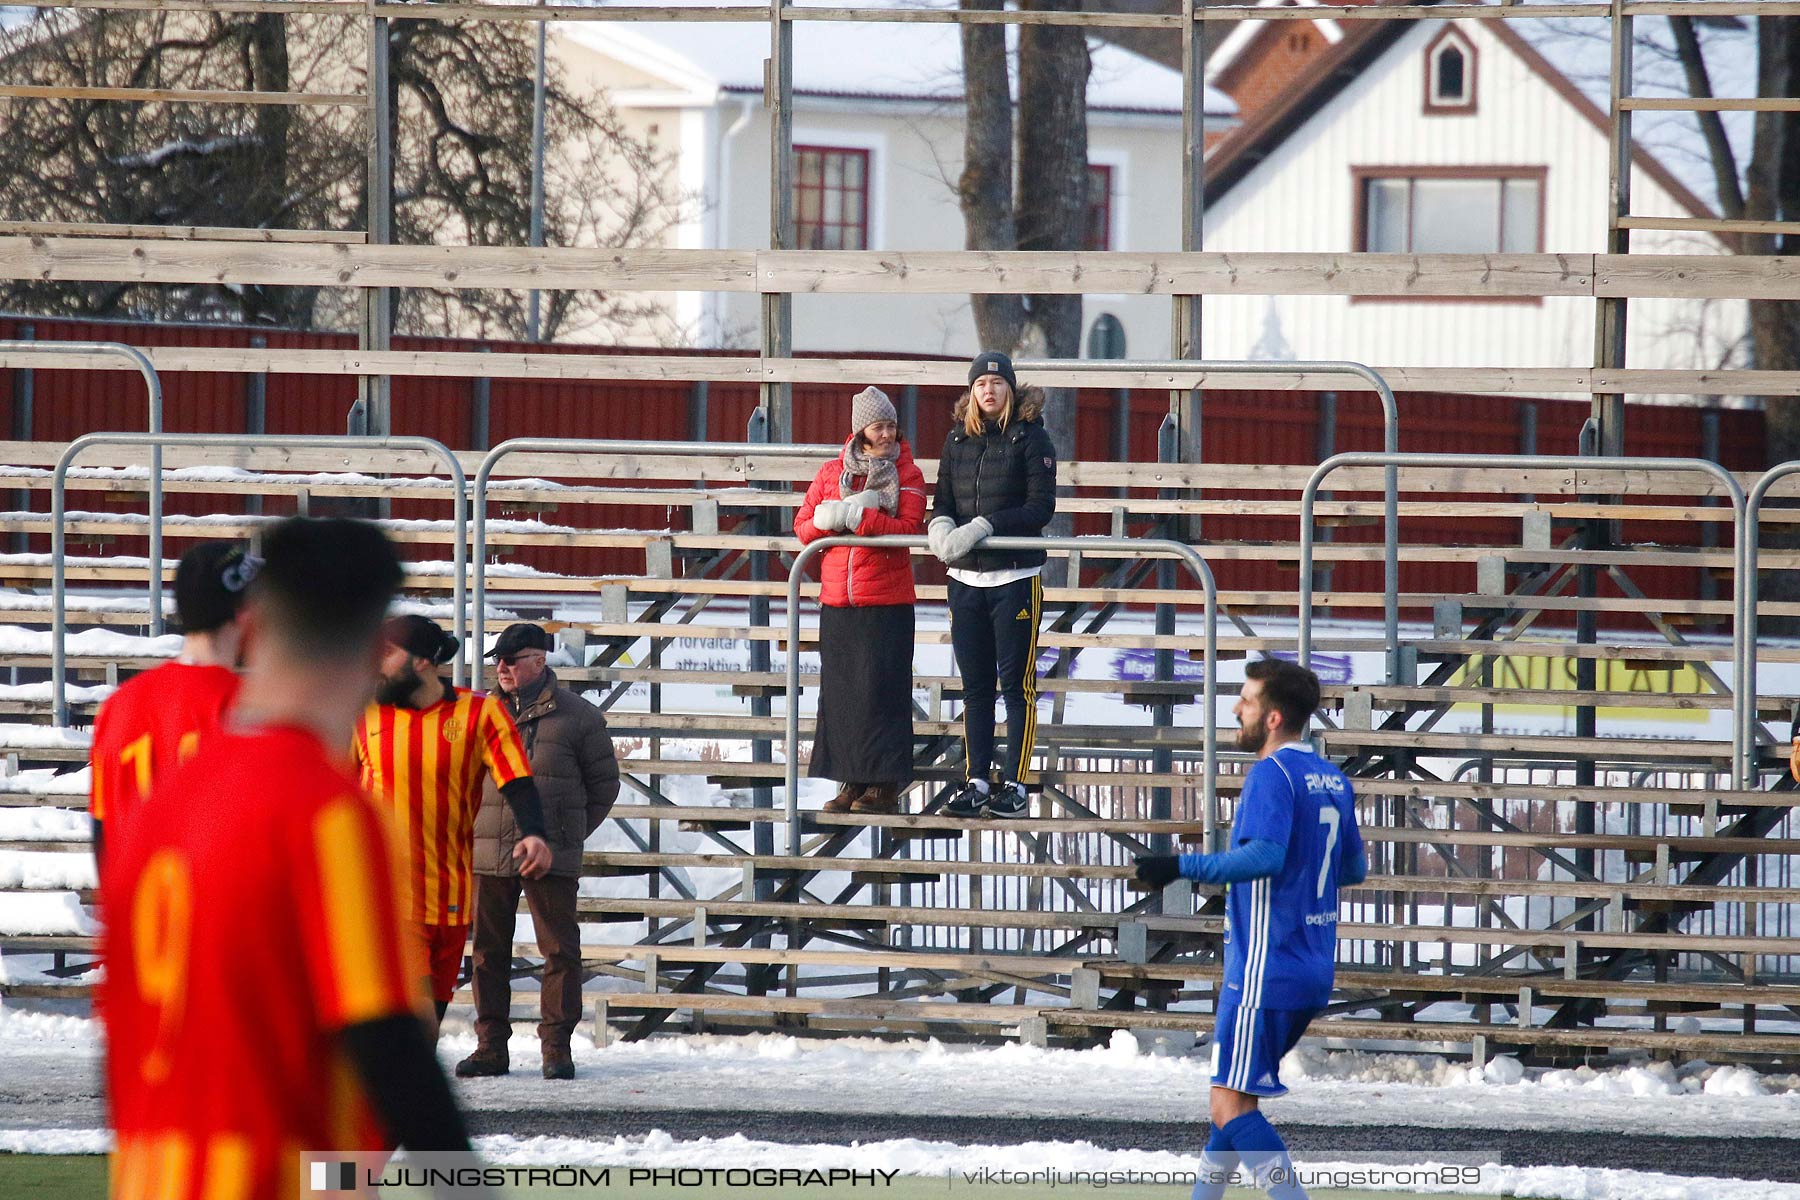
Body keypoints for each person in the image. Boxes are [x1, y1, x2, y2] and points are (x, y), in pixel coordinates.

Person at [101, 517, 481, 1199]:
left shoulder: (158, 804)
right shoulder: (326, 808)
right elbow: (387, 1043)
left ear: (252, 630)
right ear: (373, 649)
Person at [1133, 659, 1366, 1200]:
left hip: (1266, 967)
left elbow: (1263, 855)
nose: (1237, 709)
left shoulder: (1270, 773)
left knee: (1228, 1104)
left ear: (1274, 717)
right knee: (1233, 1103)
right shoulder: (1332, 778)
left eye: (1247, 701)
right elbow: (1352, 869)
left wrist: (1180, 867)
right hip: (1311, 964)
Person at [354, 614, 553, 1034]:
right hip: (388, 899)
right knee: (414, 1030)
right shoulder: (362, 714)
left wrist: (535, 834)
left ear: (423, 660)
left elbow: (516, 780)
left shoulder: (480, 712)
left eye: (387, 654)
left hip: (450, 899)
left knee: (424, 1037)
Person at [459, 622, 620, 1082]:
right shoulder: (481, 713)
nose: (502, 668)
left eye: (513, 659)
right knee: (487, 953)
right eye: (498, 660)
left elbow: (604, 785)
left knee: (560, 952)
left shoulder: (579, 717)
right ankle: (490, 1048)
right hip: (489, 851)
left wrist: (567, 835)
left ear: (540, 660)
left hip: (551, 854)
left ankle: (556, 1049)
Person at [928, 351, 1056, 819]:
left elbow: (1040, 507)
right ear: (971, 392)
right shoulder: (957, 439)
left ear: (1010, 390)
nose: (988, 390)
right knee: (975, 687)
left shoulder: (1031, 436)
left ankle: (1017, 784)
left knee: (1015, 685)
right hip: (964, 579)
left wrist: (984, 524)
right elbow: (942, 498)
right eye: (981, 383)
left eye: (997, 383)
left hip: (1014, 579)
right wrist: (940, 525)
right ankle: (977, 779)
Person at [794, 385, 929, 815]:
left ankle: (884, 786)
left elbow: (910, 530)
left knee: (881, 693)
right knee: (844, 696)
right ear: (860, 431)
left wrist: (861, 518)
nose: (887, 433)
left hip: (885, 599)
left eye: (891, 425)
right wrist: (828, 518)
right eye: (878, 426)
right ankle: (852, 782)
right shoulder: (831, 472)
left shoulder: (908, 475)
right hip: (838, 599)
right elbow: (802, 528)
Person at [88, 540, 259, 866]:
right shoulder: (250, 707)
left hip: (138, 908)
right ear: (242, 613)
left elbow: (102, 835)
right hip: (216, 910)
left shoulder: (118, 705)